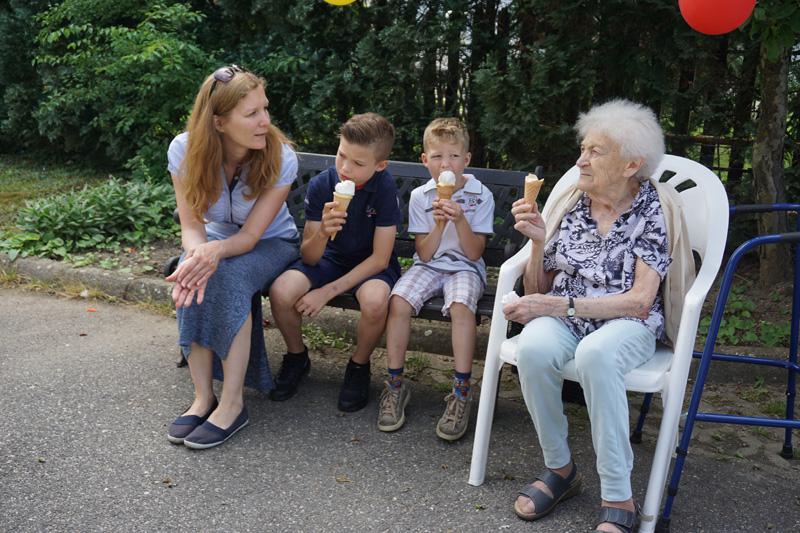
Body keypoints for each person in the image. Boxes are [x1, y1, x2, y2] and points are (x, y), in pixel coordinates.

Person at [503, 99, 691, 533]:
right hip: (567, 318)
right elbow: (539, 288)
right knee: (532, 348)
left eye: (595, 152)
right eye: (582, 149)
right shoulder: (572, 203)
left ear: (631, 164)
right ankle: (560, 469)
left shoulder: (654, 211)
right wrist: (537, 242)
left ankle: (618, 494)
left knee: (596, 355)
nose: (580, 160)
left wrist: (555, 306)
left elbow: (639, 301)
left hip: (627, 324)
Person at [165, 65, 300, 449]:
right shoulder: (183, 150)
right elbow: (191, 226)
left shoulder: (281, 156)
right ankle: (202, 397)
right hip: (214, 240)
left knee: (225, 276)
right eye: (252, 113)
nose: (265, 121)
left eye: (265, 108)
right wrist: (197, 258)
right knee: (193, 271)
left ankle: (233, 403)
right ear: (219, 122)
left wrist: (212, 255)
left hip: (272, 243)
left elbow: (251, 236)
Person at [268, 112, 401, 412]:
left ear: (380, 166)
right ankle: (296, 356)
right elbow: (309, 256)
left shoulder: (384, 189)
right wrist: (323, 232)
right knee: (281, 291)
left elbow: (380, 258)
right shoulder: (322, 184)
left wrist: (326, 292)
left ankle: (358, 365)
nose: (345, 168)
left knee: (376, 301)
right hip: (330, 258)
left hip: (370, 264)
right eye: (341, 155)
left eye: (358, 163)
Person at [377, 118, 495, 441]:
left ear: (466, 160)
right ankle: (395, 385)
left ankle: (461, 391)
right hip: (429, 265)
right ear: (425, 160)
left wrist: (459, 220)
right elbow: (425, 254)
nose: (446, 164)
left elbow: (474, 253)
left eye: (454, 156)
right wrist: (440, 224)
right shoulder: (420, 196)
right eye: (438, 156)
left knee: (460, 306)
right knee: (398, 302)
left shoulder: (480, 195)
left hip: (466, 268)